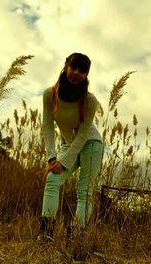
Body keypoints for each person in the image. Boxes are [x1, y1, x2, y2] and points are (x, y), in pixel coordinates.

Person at [40, 52, 103, 240]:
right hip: (68, 144)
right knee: (52, 179)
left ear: (86, 75)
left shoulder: (90, 100)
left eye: (82, 71)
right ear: (66, 65)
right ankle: (46, 234)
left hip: (91, 144)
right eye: (73, 67)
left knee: (84, 192)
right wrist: (52, 157)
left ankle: (75, 236)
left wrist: (65, 161)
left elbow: (83, 134)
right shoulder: (50, 94)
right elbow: (47, 126)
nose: (76, 73)